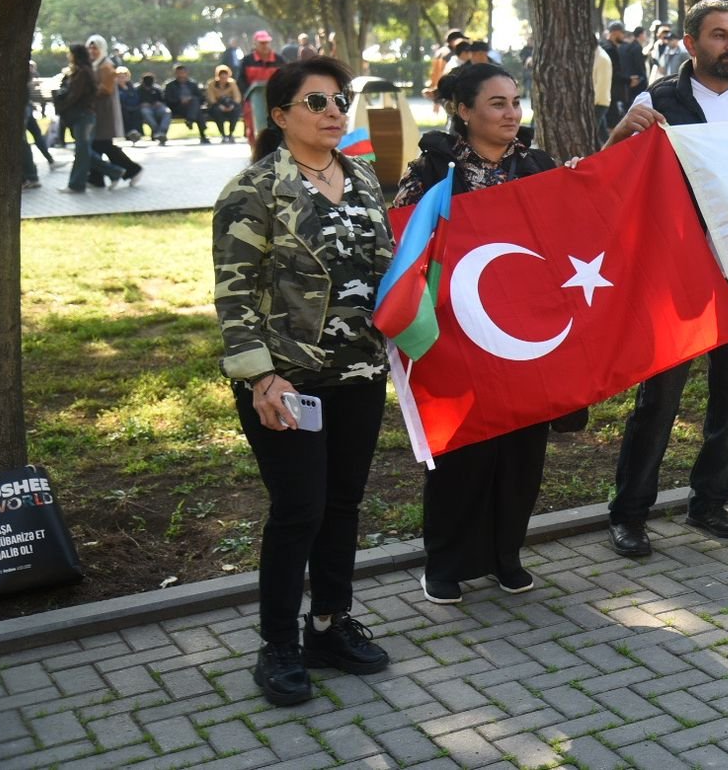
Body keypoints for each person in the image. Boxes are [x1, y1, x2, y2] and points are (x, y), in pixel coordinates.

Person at [212, 57, 395, 706]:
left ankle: (328, 627)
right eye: (316, 101)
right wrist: (260, 378)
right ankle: (278, 647)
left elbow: (391, 264)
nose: (333, 111)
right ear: (282, 115)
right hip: (287, 380)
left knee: (342, 504)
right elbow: (234, 298)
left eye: (339, 99)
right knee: (299, 512)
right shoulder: (254, 190)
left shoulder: (363, 177)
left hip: (360, 374)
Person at [395, 64, 575, 605]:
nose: (511, 113)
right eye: (497, 103)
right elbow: (405, 241)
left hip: (525, 332)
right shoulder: (432, 170)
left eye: (515, 101)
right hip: (460, 332)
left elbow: (567, 231)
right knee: (463, 453)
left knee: (523, 452)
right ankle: (445, 563)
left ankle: (506, 555)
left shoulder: (537, 166)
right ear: (463, 110)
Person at [603, 0, 728, 557]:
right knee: (660, 399)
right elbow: (610, 175)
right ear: (690, 43)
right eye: (720, 35)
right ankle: (630, 513)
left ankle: (710, 503)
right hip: (677, 275)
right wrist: (618, 135)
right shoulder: (658, 101)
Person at [56, 44, 125, 194]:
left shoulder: (83, 72)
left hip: (83, 115)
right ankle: (114, 172)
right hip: (82, 115)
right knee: (84, 151)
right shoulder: (80, 71)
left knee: (82, 150)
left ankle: (76, 184)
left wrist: (61, 106)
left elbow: (76, 95)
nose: (68, 56)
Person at [86, 36, 142, 188]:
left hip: (104, 110)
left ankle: (132, 170)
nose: (92, 51)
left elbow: (106, 89)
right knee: (98, 144)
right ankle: (97, 178)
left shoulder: (106, 65)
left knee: (103, 144)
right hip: (98, 109)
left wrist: (88, 94)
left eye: (95, 48)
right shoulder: (96, 64)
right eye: (90, 48)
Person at [240, 30, 283, 139]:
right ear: (255, 44)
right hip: (253, 101)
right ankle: (256, 148)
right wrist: (247, 96)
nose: (265, 45)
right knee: (253, 128)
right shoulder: (247, 60)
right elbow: (241, 81)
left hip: (275, 100)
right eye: (262, 43)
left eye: (266, 42)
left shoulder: (279, 60)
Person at [164, 64, 211, 145]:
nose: (181, 75)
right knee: (197, 109)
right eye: (179, 73)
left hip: (191, 107)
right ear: (175, 74)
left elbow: (201, 98)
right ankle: (202, 134)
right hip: (178, 107)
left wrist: (190, 99)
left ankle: (190, 120)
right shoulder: (170, 85)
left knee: (195, 101)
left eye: (183, 73)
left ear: (186, 73)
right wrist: (180, 100)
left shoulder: (193, 84)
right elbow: (168, 99)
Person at [206, 64, 244, 142]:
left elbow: (237, 96)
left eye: (225, 75)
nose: (223, 78)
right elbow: (211, 97)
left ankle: (231, 133)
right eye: (221, 75)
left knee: (236, 111)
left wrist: (232, 105)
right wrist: (219, 106)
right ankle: (223, 134)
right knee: (217, 112)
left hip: (230, 104)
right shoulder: (211, 84)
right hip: (217, 105)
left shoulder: (232, 83)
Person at [136, 73, 171, 144]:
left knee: (167, 112)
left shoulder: (157, 89)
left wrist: (159, 103)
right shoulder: (138, 90)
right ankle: (157, 132)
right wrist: (141, 104)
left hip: (157, 108)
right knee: (146, 112)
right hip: (145, 108)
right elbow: (135, 101)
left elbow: (163, 99)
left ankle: (162, 131)